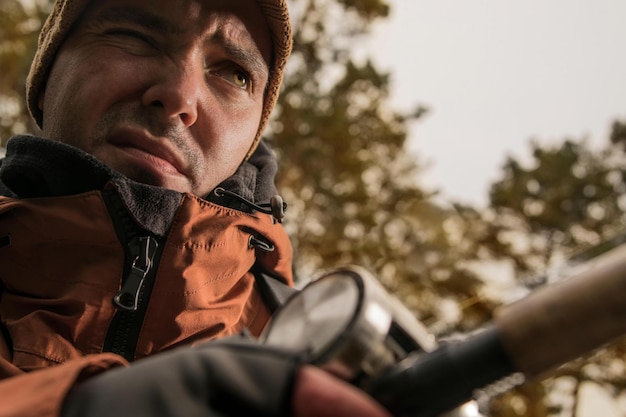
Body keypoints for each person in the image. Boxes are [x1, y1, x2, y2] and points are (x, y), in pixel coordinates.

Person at [0, 0, 393, 416]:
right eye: (135, 37)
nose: (178, 96)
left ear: (251, 139)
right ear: (45, 77)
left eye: (234, 74)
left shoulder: (309, 357)